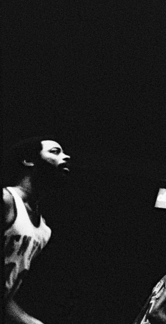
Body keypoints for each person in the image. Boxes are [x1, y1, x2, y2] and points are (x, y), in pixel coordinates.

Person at [3, 137, 71, 324]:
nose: (66, 157)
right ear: (29, 160)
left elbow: (4, 297)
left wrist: (28, 321)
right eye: (55, 151)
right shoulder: (6, 201)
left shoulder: (43, 231)